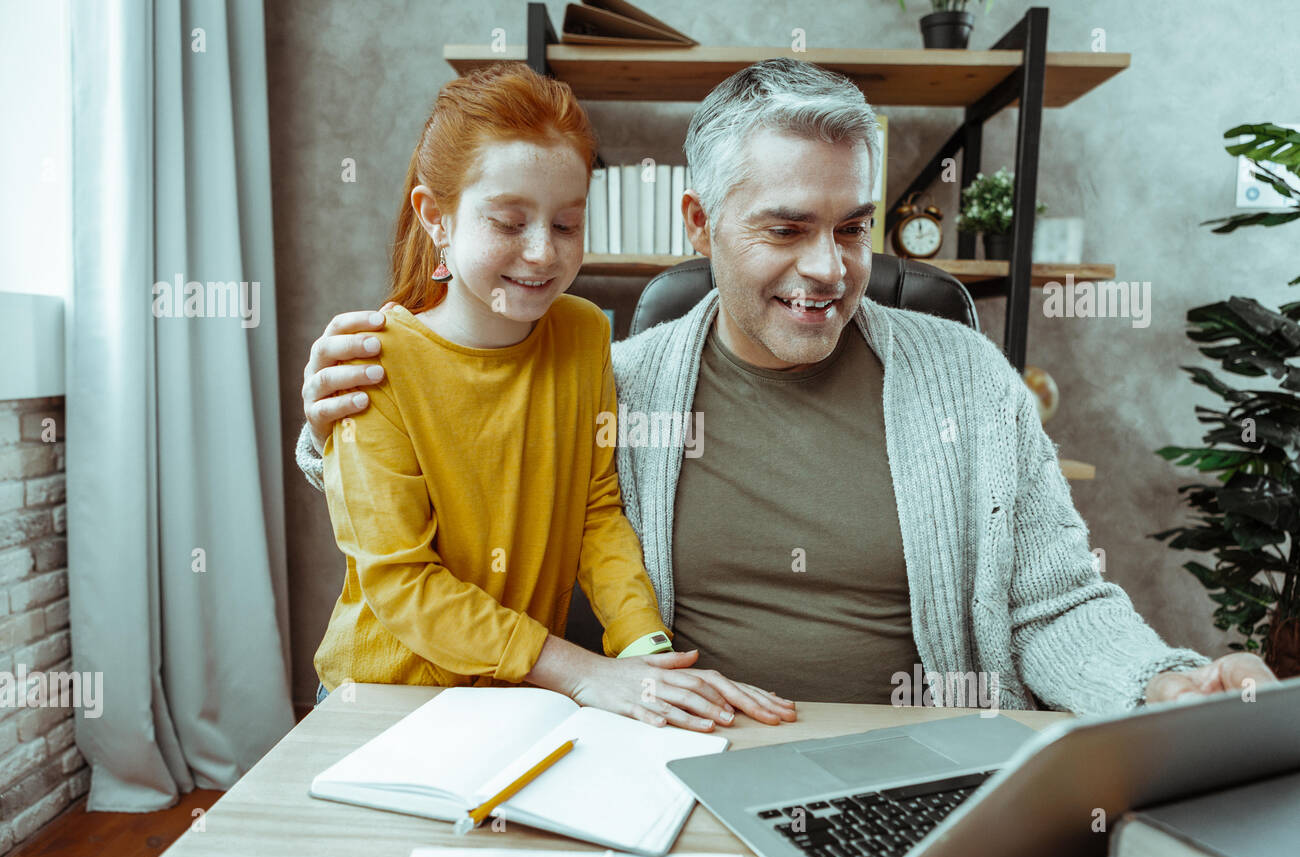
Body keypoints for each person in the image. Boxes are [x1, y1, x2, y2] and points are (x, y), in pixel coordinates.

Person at [298, 58, 1276, 714]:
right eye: (784, 228)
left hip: (922, 758)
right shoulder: (618, 382)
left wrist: (1162, 682)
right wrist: (328, 423)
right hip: (692, 756)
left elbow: (1052, 604)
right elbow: (468, 467)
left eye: (851, 227)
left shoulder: (966, 382)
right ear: (697, 224)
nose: (828, 268)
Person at [311, 61, 796, 732]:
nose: (542, 254)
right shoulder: (373, 362)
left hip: (521, 695)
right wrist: (584, 671)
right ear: (437, 218)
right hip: (388, 698)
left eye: (566, 225)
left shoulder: (583, 332)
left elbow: (596, 513)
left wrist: (643, 649)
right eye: (509, 224)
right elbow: (402, 583)